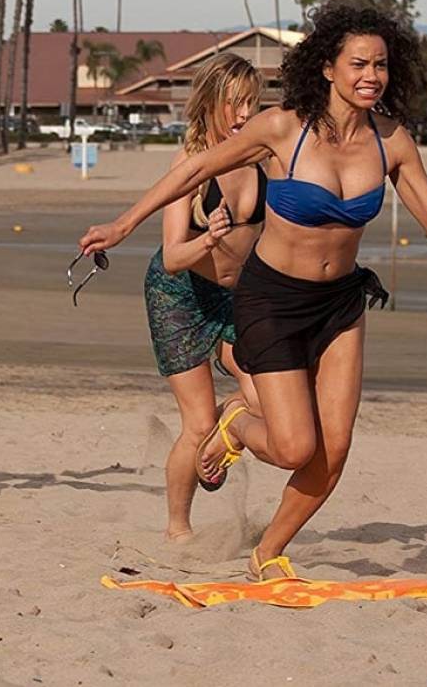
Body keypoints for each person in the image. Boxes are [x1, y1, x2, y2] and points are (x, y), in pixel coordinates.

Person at [79, 6, 427, 579]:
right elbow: (191, 172)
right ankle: (236, 425)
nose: (371, 75)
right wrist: (123, 225)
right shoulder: (283, 128)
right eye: (358, 64)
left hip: (340, 304)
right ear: (327, 67)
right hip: (272, 300)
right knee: (294, 448)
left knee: (335, 448)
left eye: (380, 65)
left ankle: (267, 553)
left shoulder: (392, 141)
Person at [144, 53, 267, 543]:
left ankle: (226, 431)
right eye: (235, 103)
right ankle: (178, 528)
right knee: (196, 424)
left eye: (252, 104)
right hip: (179, 295)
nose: (244, 115)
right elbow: (175, 255)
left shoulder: (261, 159)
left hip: (235, 294)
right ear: (211, 102)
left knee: (264, 401)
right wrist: (209, 240)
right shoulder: (189, 164)